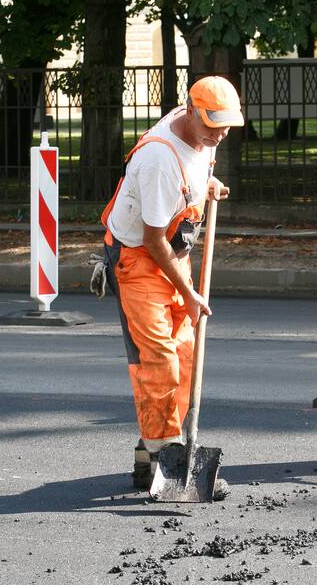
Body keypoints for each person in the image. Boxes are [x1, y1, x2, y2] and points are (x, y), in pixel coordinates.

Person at [99, 75, 240, 498]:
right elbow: (153, 239)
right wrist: (190, 291)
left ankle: (150, 456)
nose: (222, 133)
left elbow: (189, 176)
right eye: (214, 124)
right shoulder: (158, 159)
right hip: (140, 258)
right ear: (192, 111)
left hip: (173, 252)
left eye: (227, 124)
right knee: (158, 358)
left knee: (184, 352)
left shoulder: (198, 134)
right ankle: (166, 459)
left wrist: (206, 185)